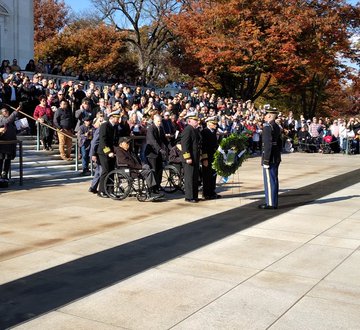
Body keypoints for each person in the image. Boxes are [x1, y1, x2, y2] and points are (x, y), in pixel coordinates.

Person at [115, 137, 162, 201]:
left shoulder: (130, 151)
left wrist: (143, 165)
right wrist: (140, 167)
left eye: (129, 142)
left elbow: (138, 160)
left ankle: (154, 190)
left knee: (152, 171)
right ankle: (151, 193)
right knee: (148, 172)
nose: (128, 144)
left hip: (135, 169)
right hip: (129, 171)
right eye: (126, 143)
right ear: (121, 144)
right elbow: (128, 163)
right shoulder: (119, 151)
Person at [259, 108, 282, 209]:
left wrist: (266, 160)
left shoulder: (268, 127)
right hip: (276, 156)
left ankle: (271, 203)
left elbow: (268, 145)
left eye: (265, 115)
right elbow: (279, 142)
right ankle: (273, 202)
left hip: (270, 158)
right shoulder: (276, 126)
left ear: (269, 116)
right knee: (274, 180)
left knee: (269, 181)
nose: (264, 117)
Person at [97, 110, 120, 198]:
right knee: (105, 171)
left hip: (112, 152)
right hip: (104, 152)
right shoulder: (104, 125)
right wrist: (108, 152)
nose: (118, 119)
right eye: (117, 118)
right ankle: (101, 191)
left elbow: (115, 140)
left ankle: (110, 190)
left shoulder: (115, 126)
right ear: (112, 117)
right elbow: (103, 141)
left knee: (112, 171)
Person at [181, 111, 201, 203]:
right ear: (189, 121)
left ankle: (194, 195)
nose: (197, 121)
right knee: (189, 177)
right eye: (195, 120)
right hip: (190, 158)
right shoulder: (187, 130)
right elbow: (185, 145)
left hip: (195, 157)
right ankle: (189, 196)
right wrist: (187, 157)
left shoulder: (195, 130)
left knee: (195, 177)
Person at [145, 114, 168, 192]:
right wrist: (160, 149)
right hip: (151, 153)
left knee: (159, 170)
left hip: (158, 153)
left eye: (160, 121)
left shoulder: (161, 128)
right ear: (154, 120)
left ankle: (158, 186)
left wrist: (171, 148)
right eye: (158, 121)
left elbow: (164, 140)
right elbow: (152, 141)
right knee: (153, 170)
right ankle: (152, 188)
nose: (159, 123)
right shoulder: (151, 128)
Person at [201, 116, 221, 200]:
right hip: (207, 157)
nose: (215, 125)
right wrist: (204, 159)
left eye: (216, 124)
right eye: (214, 123)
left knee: (213, 175)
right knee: (207, 176)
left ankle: (212, 191)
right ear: (208, 123)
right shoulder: (204, 132)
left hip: (213, 156)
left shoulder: (213, 131)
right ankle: (206, 193)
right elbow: (203, 147)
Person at [0, 106, 20, 185]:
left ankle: (5, 177)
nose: (7, 112)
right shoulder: (1, 119)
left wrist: (22, 128)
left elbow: (14, 131)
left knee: (7, 162)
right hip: (2, 146)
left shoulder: (10, 122)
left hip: (9, 145)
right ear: (1, 113)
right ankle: (1, 178)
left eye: (7, 111)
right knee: (0, 162)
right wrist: (16, 111)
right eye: (5, 111)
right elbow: (7, 121)